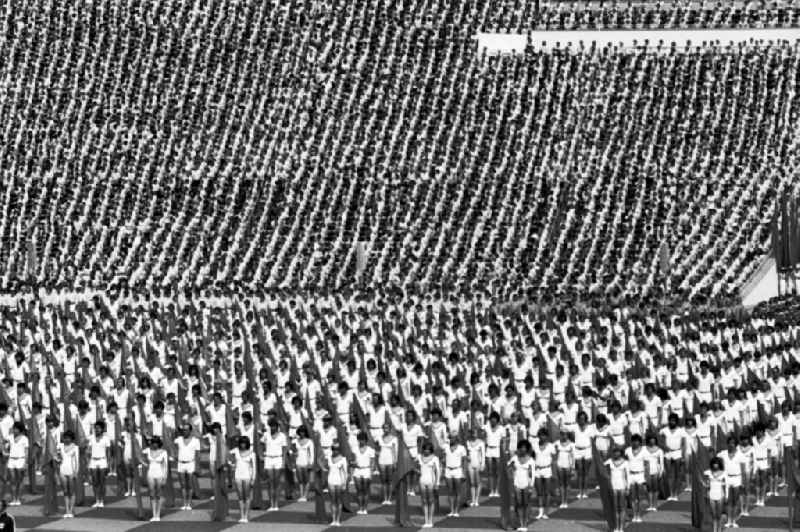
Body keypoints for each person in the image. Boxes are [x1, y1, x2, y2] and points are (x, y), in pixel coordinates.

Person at [507, 439, 534, 532]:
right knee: (518, 504)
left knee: (525, 504)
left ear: (526, 449)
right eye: (520, 448)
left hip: (526, 484)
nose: (522, 450)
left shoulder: (530, 460)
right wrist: (511, 467)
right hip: (517, 484)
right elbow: (507, 465)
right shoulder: (514, 458)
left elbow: (532, 474)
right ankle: (520, 523)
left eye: (524, 448)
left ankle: (525, 524)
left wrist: (531, 486)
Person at [718, 436, 744, 529]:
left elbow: (743, 469)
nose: (731, 445)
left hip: (737, 478)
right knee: (728, 501)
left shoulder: (740, 454)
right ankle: (729, 521)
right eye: (729, 443)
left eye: (733, 443)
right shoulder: (723, 454)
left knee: (735, 500)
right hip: (727, 478)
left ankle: (734, 520)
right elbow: (714, 457)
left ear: (736, 445)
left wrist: (743, 482)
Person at [261, 419, 287, 511]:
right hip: (268, 458)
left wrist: (283, 462)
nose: (273, 427)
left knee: (277, 482)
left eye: (274, 426)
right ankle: (271, 503)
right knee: (270, 482)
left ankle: (276, 503)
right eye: (271, 426)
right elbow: (261, 444)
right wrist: (262, 455)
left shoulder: (282, 436)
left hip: (278, 459)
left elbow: (284, 449)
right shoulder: (266, 435)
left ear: (277, 427)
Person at [230, 435, 256, 523]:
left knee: (247, 496)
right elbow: (228, 455)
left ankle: (246, 515)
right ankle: (241, 515)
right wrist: (232, 464)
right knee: (240, 497)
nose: (242, 445)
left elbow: (254, 467)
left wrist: (253, 479)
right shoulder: (236, 451)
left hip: (247, 476)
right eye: (241, 443)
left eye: (244, 443)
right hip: (238, 476)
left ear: (247, 444)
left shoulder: (252, 453)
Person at [175, 424, 201, 510]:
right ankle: (184, 503)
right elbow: (172, 446)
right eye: (183, 430)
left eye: (186, 430)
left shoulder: (196, 441)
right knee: (183, 485)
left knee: (189, 485)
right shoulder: (178, 440)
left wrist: (197, 467)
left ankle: (189, 503)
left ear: (190, 431)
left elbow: (198, 455)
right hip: (181, 463)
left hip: (191, 464)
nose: (184, 431)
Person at [143, 436, 168, 522]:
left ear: (159, 443)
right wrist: (142, 462)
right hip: (150, 474)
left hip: (160, 474)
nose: (154, 444)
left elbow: (165, 466)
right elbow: (139, 452)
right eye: (153, 442)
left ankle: (158, 514)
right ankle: (153, 514)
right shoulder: (148, 450)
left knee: (159, 494)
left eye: (156, 443)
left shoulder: (164, 452)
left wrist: (165, 477)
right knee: (152, 494)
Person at [56, 430, 79, 518]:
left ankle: (71, 510)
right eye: (65, 437)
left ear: (72, 438)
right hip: (62, 470)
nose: (66, 439)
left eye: (68, 438)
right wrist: (57, 458)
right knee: (65, 492)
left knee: (72, 492)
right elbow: (58, 457)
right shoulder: (60, 446)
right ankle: (67, 510)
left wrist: (76, 472)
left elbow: (77, 461)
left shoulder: (75, 447)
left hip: (71, 471)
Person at [605, 446, 629, 532]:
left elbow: (628, 476)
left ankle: (621, 527)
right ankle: (616, 527)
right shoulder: (610, 461)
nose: (616, 453)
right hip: (613, 487)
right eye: (615, 452)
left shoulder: (625, 462)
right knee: (615, 508)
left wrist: (628, 488)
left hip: (622, 486)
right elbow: (601, 466)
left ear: (621, 453)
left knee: (621, 507)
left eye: (618, 452)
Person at [87, 421, 111, 508]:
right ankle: (97, 500)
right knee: (95, 482)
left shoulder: (106, 438)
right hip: (93, 461)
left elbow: (108, 452)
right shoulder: (91, 438)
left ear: (102, 429)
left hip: (102, 461)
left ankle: (102, 500)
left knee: (102, 482)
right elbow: (89, 451)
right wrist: (87, 462)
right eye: (95, 428)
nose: (96, 430)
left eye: (98, 428)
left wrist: (108, 464)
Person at [443, 434, 467, 517]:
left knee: (457, 492)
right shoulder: (446, 447)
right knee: (450, 492)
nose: (451, 439)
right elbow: (442, 456)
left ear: (457, 439)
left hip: (457, 470)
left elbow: (464, 461)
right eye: (450, 438)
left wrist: (464, 472)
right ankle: (451, 510)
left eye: (453, 438)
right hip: (448, 470)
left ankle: (456, 510)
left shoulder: (462, 448)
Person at [418, 441, 440, 529]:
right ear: (423, 449)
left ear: (431, 450)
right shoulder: (419, 457)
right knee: (424, 501)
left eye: (428, 449)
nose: (426, 451)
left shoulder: (435, 458)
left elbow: (437, 471)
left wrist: (437, 483)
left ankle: (430, 520)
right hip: (422, 481)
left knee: (430, 501)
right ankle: (425, 520)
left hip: (431, 481)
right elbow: (414, 465)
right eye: (425, 449)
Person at [534, 428, 555, 520]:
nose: (542, 437)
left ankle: (546, 512)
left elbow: (554, 459)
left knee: (547, 492)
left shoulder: (551, 446)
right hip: (537, 470)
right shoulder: (534, 445)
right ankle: (540, 511)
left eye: (544, 435)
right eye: (540, 435)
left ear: (546, 436)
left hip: (547, 470)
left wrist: (554, 473)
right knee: (539, 492)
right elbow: (531, 458)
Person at [352, 432, 375, 515]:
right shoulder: (354, 449)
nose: (361, 441)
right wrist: (353, 463)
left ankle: (364, 508)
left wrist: (371, 474)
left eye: (362, 439)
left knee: (365, 490)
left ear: (366, 440)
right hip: (357, 470)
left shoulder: (370, 450)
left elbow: (372, 463)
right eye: (359, 439)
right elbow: (353, 460)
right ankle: (360, 507)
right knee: (359, 490)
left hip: (366, 470)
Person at [625, 434, 646, 523]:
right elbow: (624, 462)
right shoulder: (627, 450)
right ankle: (634, 515)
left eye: (637, 441)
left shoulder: (644, 451)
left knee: (640, 497)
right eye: (633, 441)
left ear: (640, 442)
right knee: (633, 497)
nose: (635, 442)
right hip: (631, 475)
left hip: (640, 475)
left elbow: (647, 464)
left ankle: (639, 515)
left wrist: (646, 478)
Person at [326, 444, 348, 527]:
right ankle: (333, 519)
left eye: (337, 449)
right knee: (332, 501)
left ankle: (338, 520)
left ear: (339, 450)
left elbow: (345, 473)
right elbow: (328, 469)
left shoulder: (343, 459)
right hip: (331, 480)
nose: (335, 451)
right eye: (334, 449)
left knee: (338, 500)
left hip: (339, 481)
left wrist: (344, 484)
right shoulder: (329, 458)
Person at [7, 422, 28, 506]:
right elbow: (3, 441)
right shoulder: (10, 437)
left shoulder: (24, 439)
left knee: (20, 480)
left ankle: (18, 498)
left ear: (20, 430)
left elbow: (26, 452)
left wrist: (25, 463)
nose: (14, 430)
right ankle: (13, 499)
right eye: (14, 428)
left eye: (16, 429)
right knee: (12, 481)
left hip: (20, 460)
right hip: (11, 460)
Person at [704, 457, 727, 532]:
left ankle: (719, 529)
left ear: (719, 464)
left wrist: (726, 496)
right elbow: (707, 484)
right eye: (714, 463)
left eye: (717, 463)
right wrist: (705, 485)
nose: (715, 465)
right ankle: (714, 530)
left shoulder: (724, 473)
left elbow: (726, 485)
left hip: (720, 495)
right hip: (711, 495)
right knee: (714, 515)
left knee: (719, 515)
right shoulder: (708, 473)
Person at [377, 423, 397, 505]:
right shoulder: (379, 438)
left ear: (390, 429)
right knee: (383, 480)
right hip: (381, 460)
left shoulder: (394, 439)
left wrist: (395, 462)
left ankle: (389, 498)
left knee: (390, 480)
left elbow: (394, 451)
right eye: (384, 428)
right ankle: (384, 498)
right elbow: (377, 449)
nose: (385, 429)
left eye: (387, 428)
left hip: (390, 461)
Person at [294, 426, 314, 502]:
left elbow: (312, 453)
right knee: (300, 481)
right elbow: (293, 451)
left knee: (307, 480)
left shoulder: (310, 442)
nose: (302, 433)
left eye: (303, 432)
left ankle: (305, 496)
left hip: (306, 463)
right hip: (298, 462)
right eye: (301, 432)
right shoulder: (296, 441)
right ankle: (301, 495)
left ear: (305, 433)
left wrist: (311, 463)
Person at [466, 427, 485, 506]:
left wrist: (483, 464)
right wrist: (467, 456)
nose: (474, 435)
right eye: (472, 433)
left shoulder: (481, 443)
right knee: (472, 482)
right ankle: (473, 500)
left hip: (478, 464)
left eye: (475, 433)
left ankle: (477, 499)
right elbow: (466, 453)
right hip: (470, 464)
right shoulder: (467, 442)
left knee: (478, 482)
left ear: (477, 434)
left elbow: (483, 454)